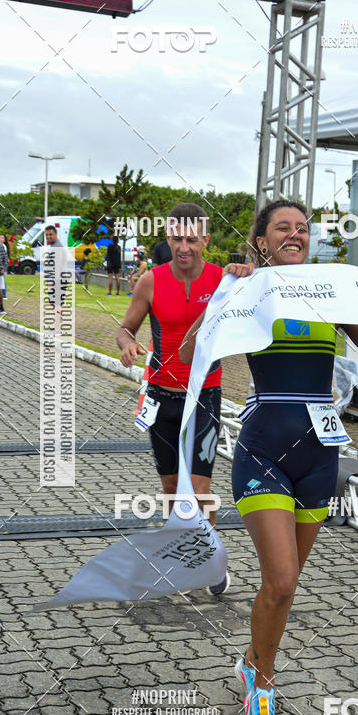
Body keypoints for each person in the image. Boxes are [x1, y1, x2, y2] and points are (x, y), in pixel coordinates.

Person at [180, 199, 358, 715]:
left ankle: (253, 659)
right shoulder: (249, 290)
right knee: (280, 580)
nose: (295, 234)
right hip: (263, 449)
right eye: (283, 227)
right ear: (260, 239)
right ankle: (263, 685)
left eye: (303, 228)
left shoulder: (335, 293)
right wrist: (224, 294)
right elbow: (190, 353)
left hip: (319, 457)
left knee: (284, 588)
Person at [117, 203, 229, 594]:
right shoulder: (149, 281)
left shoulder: (222, 280)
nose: (184, 247)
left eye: (192, 239)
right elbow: (126, 328)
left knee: (199, 490)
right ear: (168, 238)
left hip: (204, 396)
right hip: (161, 397)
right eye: (177, 238)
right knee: (170, 489)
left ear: (205, 241)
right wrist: (127, 344)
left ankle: (212, 561)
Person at [0, 233, 10, 298]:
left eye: (2, 238)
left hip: (2, 264)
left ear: (5, 240)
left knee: (2, 278)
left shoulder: (3, 247)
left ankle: (4, 294)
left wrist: (2, 266)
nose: (0, 239)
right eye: (0, 237)